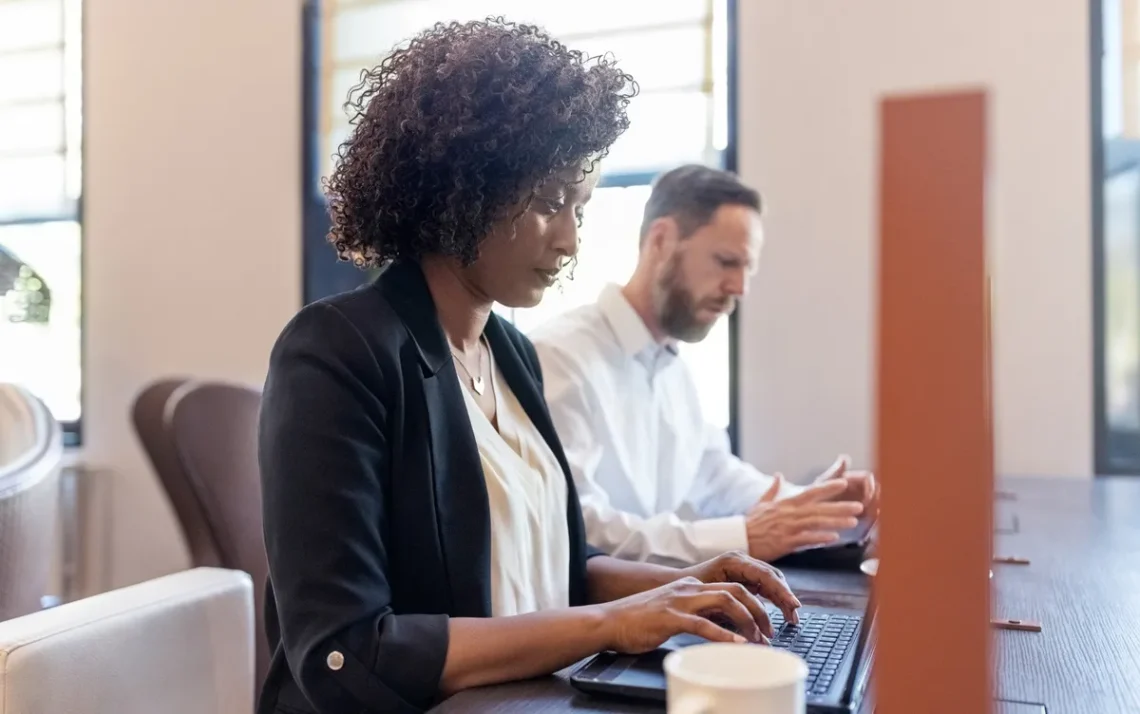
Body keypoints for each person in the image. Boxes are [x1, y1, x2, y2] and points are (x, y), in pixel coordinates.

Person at [257, 21, 802, 714]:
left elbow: (559, 572)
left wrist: (688, 583)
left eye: (580, 206)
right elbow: (346, 653)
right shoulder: (338, 352)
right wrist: (611, 623)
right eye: (550, 202)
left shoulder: (510, 354)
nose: (571, 238)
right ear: (465, 188)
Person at [531, 164, 880, 567]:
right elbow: (579, 528)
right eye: (727, 261)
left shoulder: (674, 371)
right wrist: (743, 537)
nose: (740, 288)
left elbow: (716, 477)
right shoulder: (558, 357)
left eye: (747, 268)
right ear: (661, 240)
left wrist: (825, 508)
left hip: (657, 610)